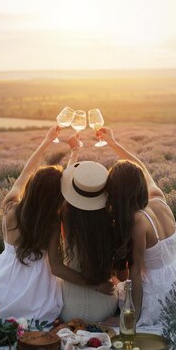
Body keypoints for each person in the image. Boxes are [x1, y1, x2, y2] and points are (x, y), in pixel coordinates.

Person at [0, 126, 64, 323]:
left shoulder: (11, 207)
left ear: (33, 186)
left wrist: (46, 141)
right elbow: (56, 267)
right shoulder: (51, 221)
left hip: (6, 285)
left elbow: (27, 171)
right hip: (37, 291)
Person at [100, 126, 176, 327]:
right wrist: (113, 143)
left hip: (158, 291)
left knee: (117, 290)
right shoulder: (158, 198)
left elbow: (135, 275)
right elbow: (140, 166)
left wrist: (130, 317)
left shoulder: (138, 221)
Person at [56, 135, 118, 322]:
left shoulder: (65, 215)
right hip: (106, 305)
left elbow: (66, 180)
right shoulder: (112, 218)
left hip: (69, 306)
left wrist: (74, 151)